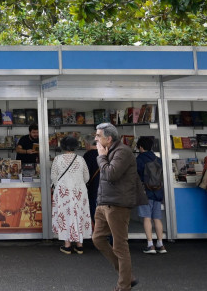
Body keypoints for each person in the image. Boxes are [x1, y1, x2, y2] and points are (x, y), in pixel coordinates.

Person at [92, 123, 142, 291]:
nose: (95, 139)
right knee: (97, 238)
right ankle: (127, 276)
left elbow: (110, 174)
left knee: (120, 246)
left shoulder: (123, 152)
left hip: (117, 205)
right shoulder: (110, 151)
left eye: (98, 136)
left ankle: (124, 286)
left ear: (109, 138)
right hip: (104, 203)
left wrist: (100, 156)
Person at [51, 136, 92, 254]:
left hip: (63, 191)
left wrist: (61, 185)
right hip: (79, 191)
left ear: (62, 146)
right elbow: (86, 177)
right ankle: (80, 245)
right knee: (79, 214)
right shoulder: (81, 159)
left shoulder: (57, 159)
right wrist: (77, 184)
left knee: (65, 215)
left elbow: (53, 177)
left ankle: (67, 245)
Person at [136, 136, 166, 254]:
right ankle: (161, 244)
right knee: (157, 218)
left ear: (141, 147)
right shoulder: (158, 159)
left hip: (145, 192)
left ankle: (150, 245)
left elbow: (136, 175)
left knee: (147, 218)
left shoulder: (139, 159)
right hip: (157, 191)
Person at [83, 134, 100, 226]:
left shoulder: (87, 155)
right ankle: (110, 236)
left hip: (93, 187)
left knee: (94, 209)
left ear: (88, 144)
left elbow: (85, 173)